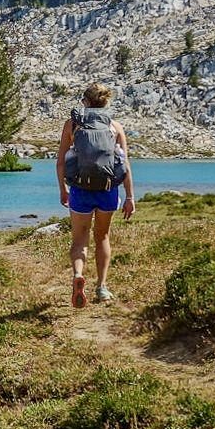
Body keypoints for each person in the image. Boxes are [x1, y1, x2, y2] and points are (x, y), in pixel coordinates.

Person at [56, 82, 135, 308]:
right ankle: (102, 287)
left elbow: (61, 161)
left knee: (80, 238)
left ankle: (78, 275)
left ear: (86, 102)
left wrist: (63, 189)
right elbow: (124, 164)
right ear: (105, 102)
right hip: (108, 190)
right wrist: (129, 197)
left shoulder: (72, 125)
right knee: (102, 236)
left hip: (80, 190)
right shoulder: (115, 127)